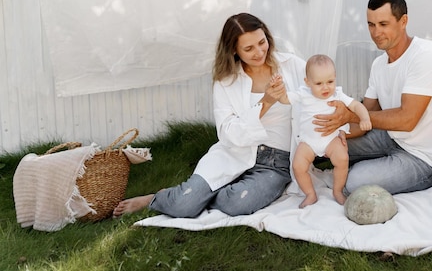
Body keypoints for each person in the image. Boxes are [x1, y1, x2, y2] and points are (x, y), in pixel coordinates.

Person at [113, 13, 306, 218]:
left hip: (276, 163)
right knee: (183, 207)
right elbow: (227, 133)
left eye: (262, 42)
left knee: (237, 204)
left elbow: (323, 91)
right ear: (234, 50)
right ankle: (161, 198)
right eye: (249, 49)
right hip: (234, 153)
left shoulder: (291, 65)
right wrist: (265, 102)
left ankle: (190, 196)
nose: (259, 52)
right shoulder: (226, 81)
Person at [313, 0, 432, 195]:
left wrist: (350, 115)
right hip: (391, 138)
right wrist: (335, 127)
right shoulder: (379, 64)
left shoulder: (426, 56)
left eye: (383, 24)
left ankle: (360, 170)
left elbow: (407, 119)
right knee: (324, 145)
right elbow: (365, 116)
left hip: (424, 157)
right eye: (371, 25)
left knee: (354, 182)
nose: (375, 32)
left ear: (403, 21)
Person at [278, 54, 371, 208]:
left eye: (330, 81)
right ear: (307, 82)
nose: (326, 87)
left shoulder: (338, 95)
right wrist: (280, 92)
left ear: (335, 78)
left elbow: (356, 106)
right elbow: (285, 100)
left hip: (331, 140)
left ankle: (337, 191)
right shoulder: (303, 94)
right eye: (319, 83)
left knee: (342, 159)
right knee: (298, 166)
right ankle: (310, 194)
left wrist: (365, 118)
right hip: (308, 141)